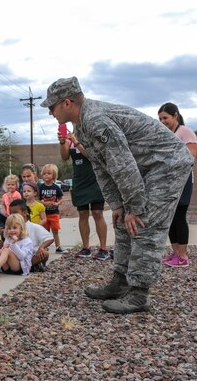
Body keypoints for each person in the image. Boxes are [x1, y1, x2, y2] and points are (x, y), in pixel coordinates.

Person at [42, 76, 193, 314]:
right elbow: (102, 166)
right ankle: (120, 281)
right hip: (145, 166)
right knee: (123, 221)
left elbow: (122, 165)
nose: (50, 112)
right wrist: (118, 205)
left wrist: (134, 207)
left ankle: (139, 293)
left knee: (143, 223)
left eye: (52, 106)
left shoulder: (96, 120)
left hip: (167, 164)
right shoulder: (82, 125)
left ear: (67, 102)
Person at [58, 126, 109, 261]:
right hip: (79, 180)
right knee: (83, 213)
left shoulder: (92, 135)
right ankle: (86, 248)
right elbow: (64, 157)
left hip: (95, 179)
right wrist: (63, 142)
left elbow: (92, 156)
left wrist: (77, 142)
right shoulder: (71, 136)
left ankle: (103, 248)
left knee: (98, 213)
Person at [158, 102, 197, 268]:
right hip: (168, 180)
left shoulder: (185, 132)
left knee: (180, 216)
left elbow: (191, 155)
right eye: (160, 119)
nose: (162, 121)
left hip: (182, 180)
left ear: (175, 115)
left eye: (165, 117)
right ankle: (174, 253)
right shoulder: (166, 133)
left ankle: (183, 256)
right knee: (170, 216)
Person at [38, 164, 65, 253]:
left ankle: (58, 246)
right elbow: (38, 200)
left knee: (55, 231)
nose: (46, 175)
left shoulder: (56, 187)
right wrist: (43, 203)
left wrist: (57, 203)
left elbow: (61, 199)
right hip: (44, 214)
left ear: (53, 175)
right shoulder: (40, 187)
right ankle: (45, 247)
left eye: (49, 173)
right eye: (44, 173)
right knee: (45, 232)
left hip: (54, 213)